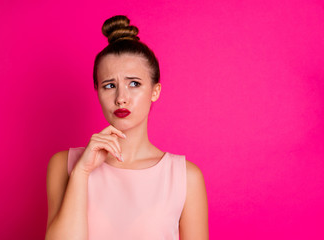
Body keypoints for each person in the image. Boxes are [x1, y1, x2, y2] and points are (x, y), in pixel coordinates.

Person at [45, 15, 209, 240]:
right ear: (98, 92)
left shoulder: (184, 177)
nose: (121, 98)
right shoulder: (64, 165)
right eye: (109, 85)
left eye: (134, 84)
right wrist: (81, 173)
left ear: (155, 91)